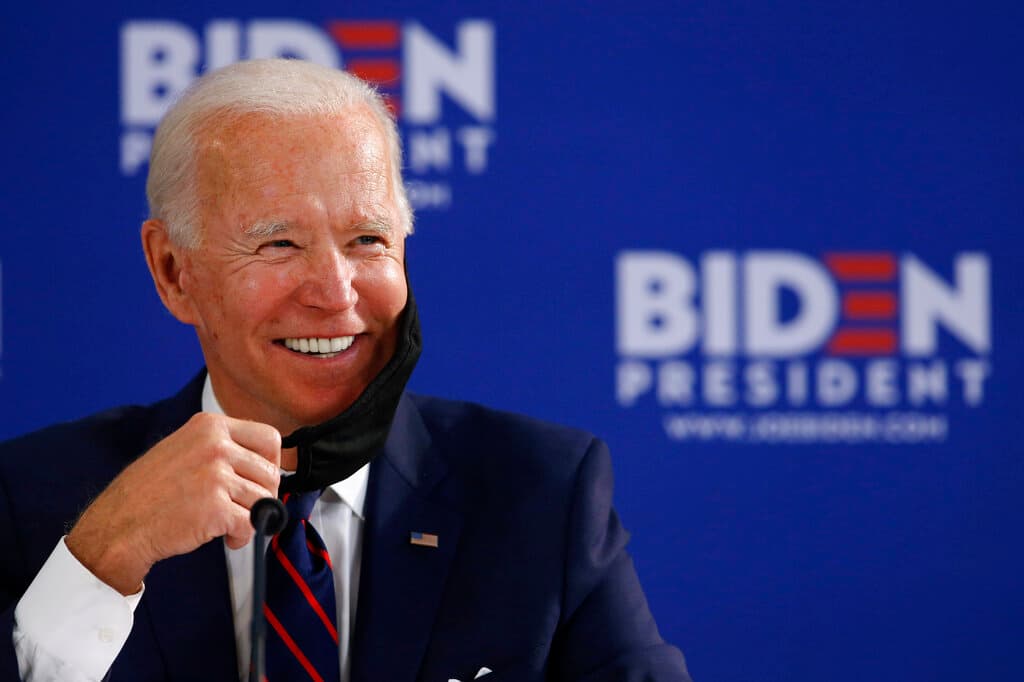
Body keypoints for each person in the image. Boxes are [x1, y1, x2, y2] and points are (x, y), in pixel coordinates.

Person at [0, 59, 691, 681]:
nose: (335, 293)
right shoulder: (31, 500)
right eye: (279, 243)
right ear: (173, 270)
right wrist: (100, 563)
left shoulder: (544, 494)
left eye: (368, 239)